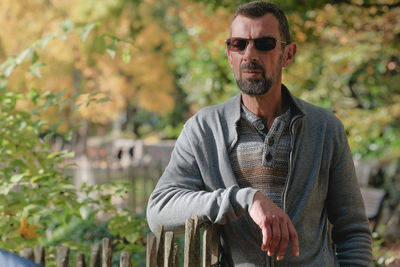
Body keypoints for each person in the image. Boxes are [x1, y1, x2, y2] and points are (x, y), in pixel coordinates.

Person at [147, 1, 372, 266]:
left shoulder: (325, 129)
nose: (249, 54)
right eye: (238, 44)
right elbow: (159, 210)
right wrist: (244, 198)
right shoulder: (204, 129)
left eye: (264, 43)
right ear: (229, 54)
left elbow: (353, 231)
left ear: (287, 54)